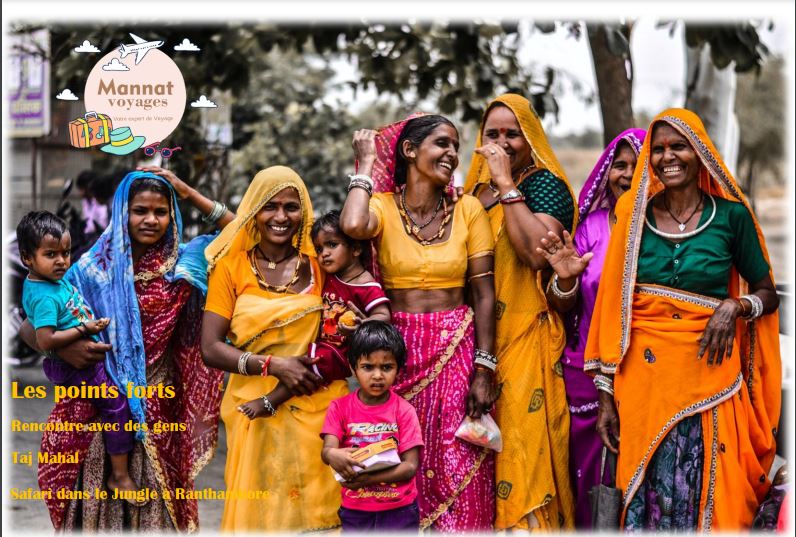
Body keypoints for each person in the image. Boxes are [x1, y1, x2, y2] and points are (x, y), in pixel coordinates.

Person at [584, 108, 781, 530]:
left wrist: (736, 306)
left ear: (701, 153)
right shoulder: (632, 218)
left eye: (679, 146)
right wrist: (605, 397)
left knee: (704, 496)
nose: (667, 157)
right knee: (645, 496)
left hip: (710, 383)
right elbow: (611, 308)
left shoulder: (732, 218)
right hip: (643, 389)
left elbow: (766, 292)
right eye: (658, 150)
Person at [23, 167, 232, 531]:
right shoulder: (91, 268)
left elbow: (241, 231)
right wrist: (62, 351)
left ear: (172, 215)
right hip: (96, 404)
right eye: (139, 211)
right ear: (122, 212)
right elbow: (31, 327)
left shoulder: (187, 261)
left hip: (160, 407)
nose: (150, 220)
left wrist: (185, 189)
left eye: (161, 211)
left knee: (158, 505)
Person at [341, 114, 498, 531]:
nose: (451, 153)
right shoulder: (382, 207)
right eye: (441, 143)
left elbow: (483, 293)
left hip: (457, 352)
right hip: (398, 356)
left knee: (458, 464)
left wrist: (484, 367)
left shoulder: (467, 210)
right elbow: (353, 225)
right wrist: (363, 168)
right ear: (409, 151)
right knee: (398, 459)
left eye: (455, 146)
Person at [201, 166, 346, 531]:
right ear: (254, 210)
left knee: (318, 513)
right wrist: (273, 366)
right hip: (254, 412)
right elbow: (211, 348)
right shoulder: (231, 267)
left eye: (291, 207)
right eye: (270, 206)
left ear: (305, 211)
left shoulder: (321, 265)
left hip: (319, 407)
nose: (281, 217)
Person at [463, 93, 577, 530]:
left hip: (525, 341)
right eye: (493, 133)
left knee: (524, 460)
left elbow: (535, 253)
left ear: (530, 139)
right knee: (474, 466)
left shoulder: (544, 185)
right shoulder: (470, 197)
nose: (502, 142)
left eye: (513, 133)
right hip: (471, 346)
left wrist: (506, 183)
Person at [537, 128, 646, 527]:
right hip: (586, 371)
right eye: (620, 165)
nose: (628, 174)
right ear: (607, 172)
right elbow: (565, 303)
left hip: (647, 371)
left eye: (638, 166)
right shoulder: (592, 227)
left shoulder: (664, 230)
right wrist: (565, 280)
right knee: (592, 481)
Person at [17, 210, 140, 502]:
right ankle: (120, 476)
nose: (61, 261)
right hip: (81, 369)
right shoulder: (47, 293)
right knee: (117, 404)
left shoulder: (53, 282)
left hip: (83, 363)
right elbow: (43, 337)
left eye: (65, 253)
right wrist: (84, 329)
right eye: (51, 254)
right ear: (27, 258)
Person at [237, 209, 391, 419]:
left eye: (332, 245)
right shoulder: (330, 277)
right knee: (302, 362)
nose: (324, 254)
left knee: (307, 367)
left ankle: (270, 401)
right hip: (324, 344)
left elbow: (384, 315)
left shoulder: (365, 284)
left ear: (355, 249)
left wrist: (363, 326)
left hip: (340, 351)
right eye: (319, 249)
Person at [321, 320, 424, 531]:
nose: (377, 375)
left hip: (400, 510)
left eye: (386, 367)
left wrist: (366, 479)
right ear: (353, 367)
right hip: (356, 511)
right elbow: (327, 450)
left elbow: (410, 467)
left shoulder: (404, 411)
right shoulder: (339, 408)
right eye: (368, 367)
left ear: (398, 368)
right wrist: (332, 455)